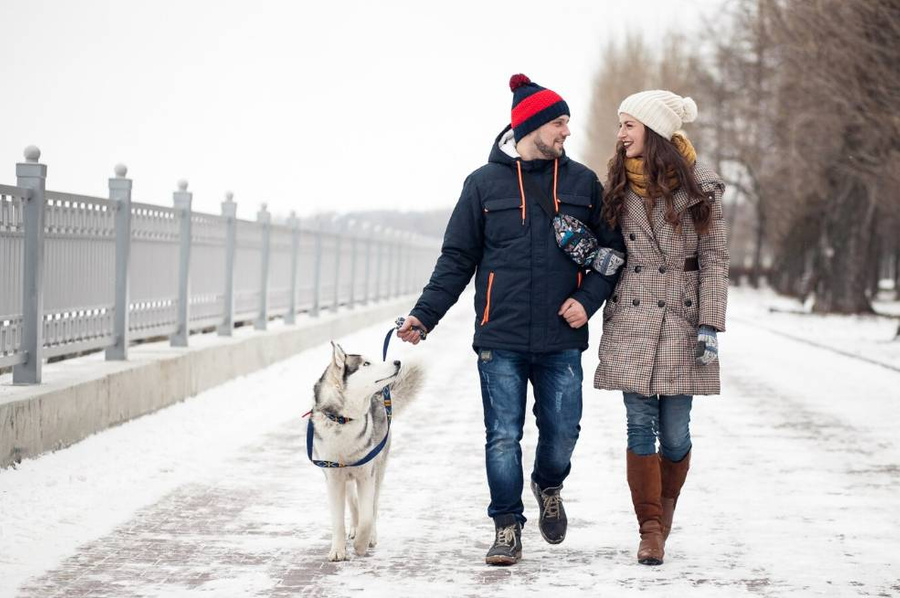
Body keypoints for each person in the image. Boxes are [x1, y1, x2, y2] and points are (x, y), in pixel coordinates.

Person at [397, 74, 624, 566]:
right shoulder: (482, 184)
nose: (567, 131)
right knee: (502, 434)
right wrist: (424, 315)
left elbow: (611, 253)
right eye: (560, 122)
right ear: (534, 124)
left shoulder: (584, 183)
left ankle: (548, 484)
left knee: (563, 430)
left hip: (563, 335)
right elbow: (457, 259)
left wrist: (588, 300)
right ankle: (506, 526)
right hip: (499, 335)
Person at [593, 90, 729, 566]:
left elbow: (714, 259)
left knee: (675, 433)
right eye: (619, 124)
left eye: (629, 124)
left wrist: (710, 323)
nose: (621, 134)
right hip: (632, 316)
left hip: (683, 318)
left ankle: (664, 517)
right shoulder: (617, 186)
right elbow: (608, 245)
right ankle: (650, 530)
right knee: (638, 424)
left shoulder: (701, 188)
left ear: (652, 130)